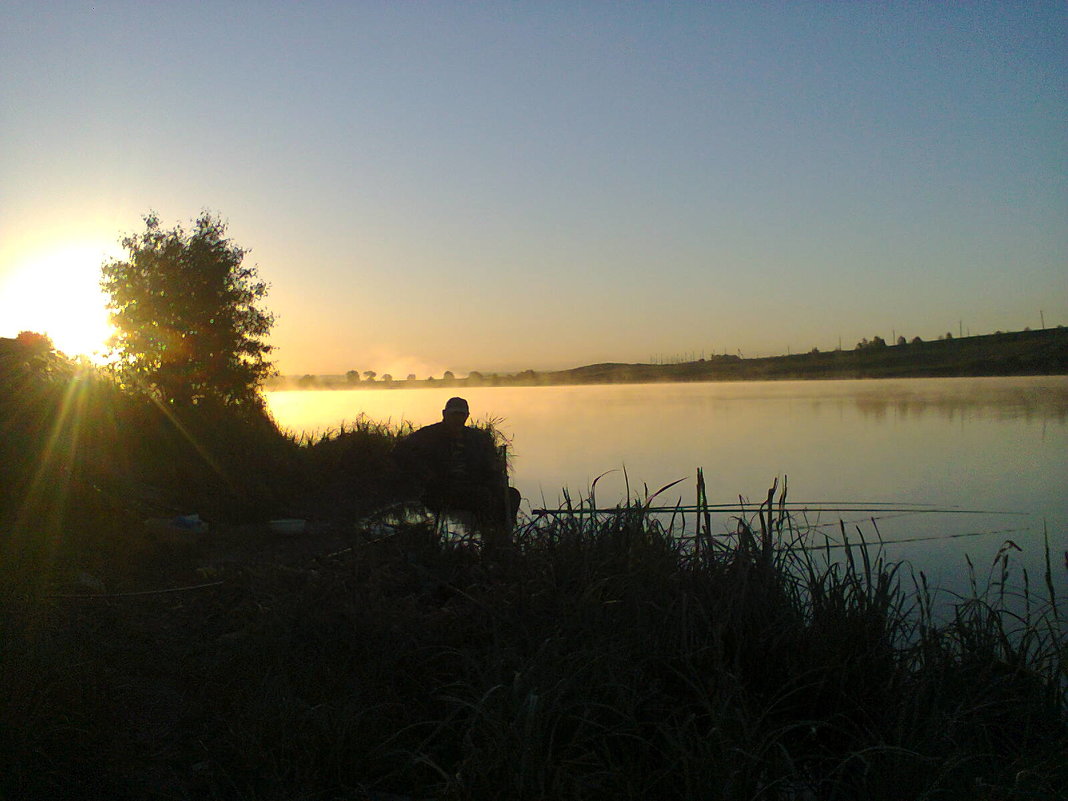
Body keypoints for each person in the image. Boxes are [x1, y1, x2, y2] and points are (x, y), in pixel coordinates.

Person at [393, 397, 521, 540]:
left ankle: (503, 536)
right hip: (441, 489)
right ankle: (485, 539)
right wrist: (425, 475)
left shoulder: (476, 438)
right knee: (482, 496)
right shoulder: (428, 434)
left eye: (461, 414)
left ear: (467, 416)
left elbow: (488, 466)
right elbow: (399, 451)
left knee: (512, 495)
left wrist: (496, 477)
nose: (457, 418)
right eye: (454, 414)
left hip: (472, 485)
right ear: (444, 414)